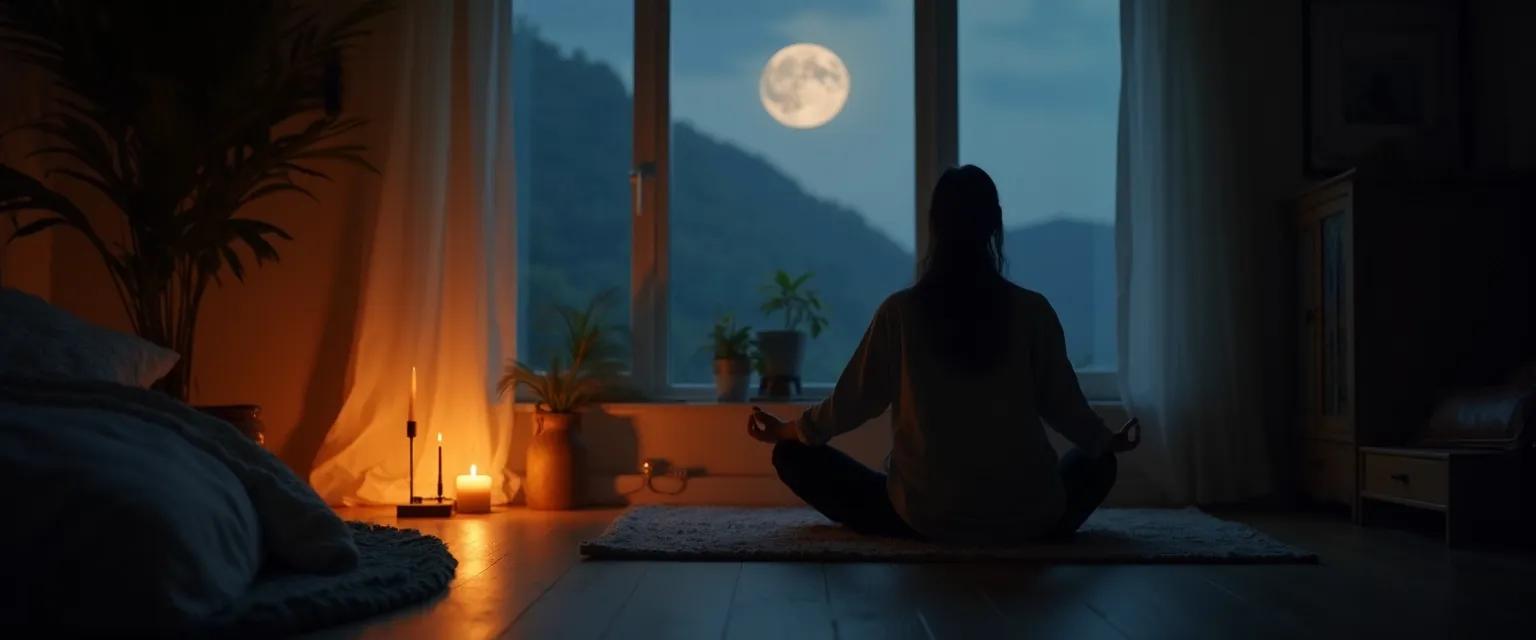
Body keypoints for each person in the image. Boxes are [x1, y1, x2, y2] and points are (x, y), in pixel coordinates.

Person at [746, 165, 1139, 544]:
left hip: (922, 518)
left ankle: (933, 518)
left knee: (792, 457)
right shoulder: (1032, 311)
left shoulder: (900, 313)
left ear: (934, 223)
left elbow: (853, 402)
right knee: (1099, 463)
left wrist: (787, 431)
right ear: (995, 222)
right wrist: (1105, 441)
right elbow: (1063, 404)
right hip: (1028, 517)